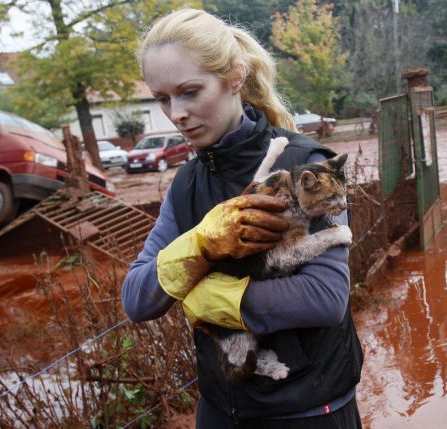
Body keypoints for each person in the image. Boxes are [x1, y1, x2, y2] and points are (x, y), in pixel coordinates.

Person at [122, 9, 363, 428]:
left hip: (309, 408)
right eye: (162, 98)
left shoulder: (305, 165)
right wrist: (196, 246)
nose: (176, 113)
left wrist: (211, 300)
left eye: (190, 92)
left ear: (234, 77)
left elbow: (325, 298)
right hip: (221, 409)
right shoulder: (186, 185)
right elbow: (136, 299)